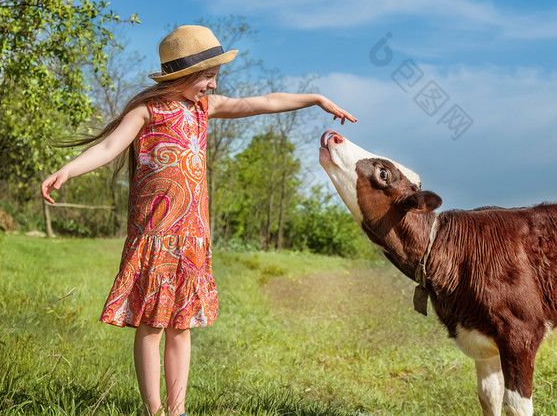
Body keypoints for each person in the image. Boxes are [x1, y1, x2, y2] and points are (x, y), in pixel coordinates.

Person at [40, 25, 356, 416]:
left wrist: (316, 99)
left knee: (181, 325)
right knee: (152, 326)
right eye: (208, 75)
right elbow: (108, 147)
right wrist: (68, 171)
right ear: (182, 75)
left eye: (214, 76)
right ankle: (154, 410)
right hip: (155, 235)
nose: (213, 83)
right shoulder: (147, 110)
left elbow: (265, 102)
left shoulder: (204, 108)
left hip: (191, 236)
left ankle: (177, 410)